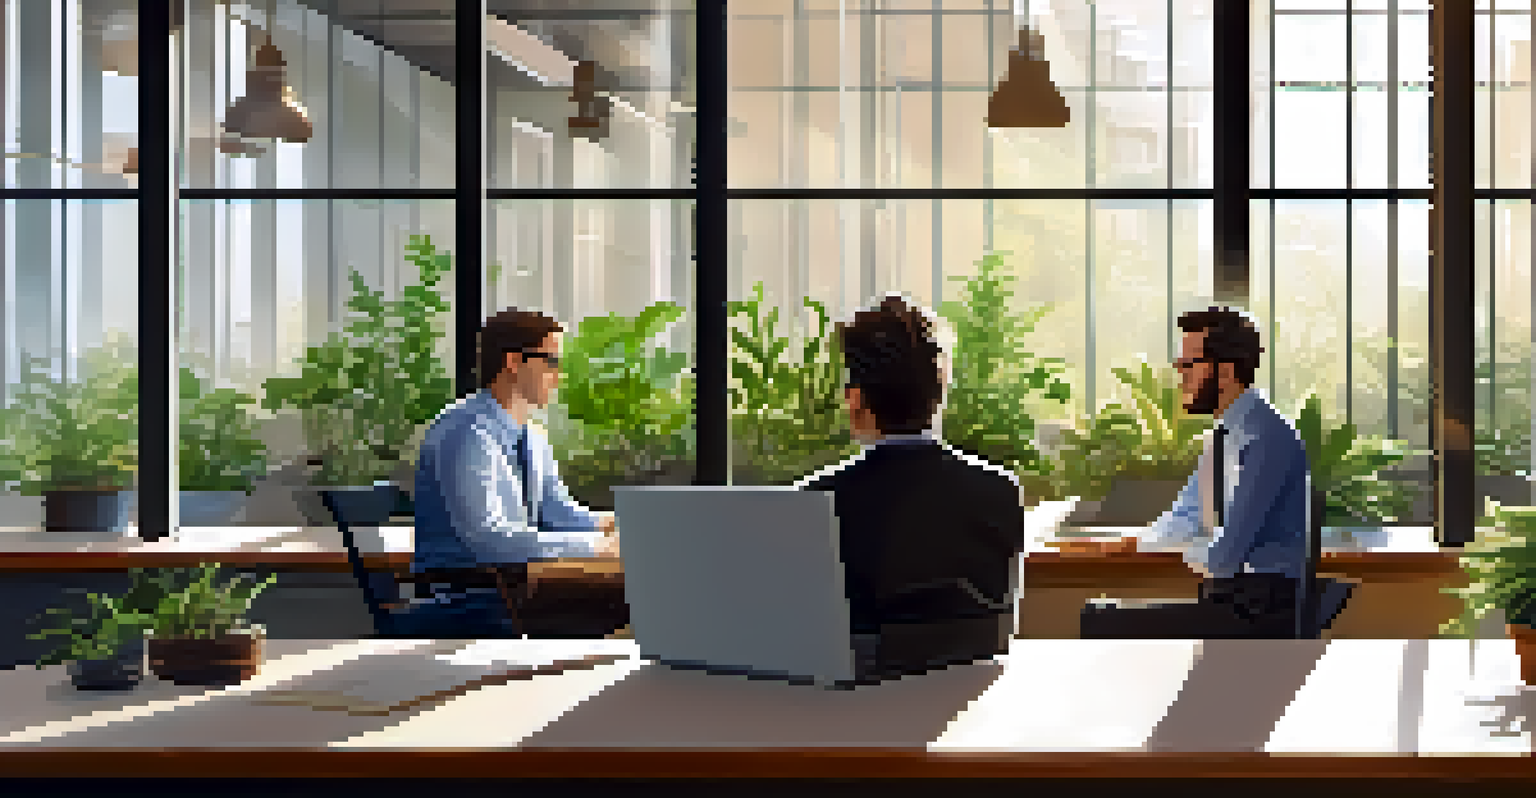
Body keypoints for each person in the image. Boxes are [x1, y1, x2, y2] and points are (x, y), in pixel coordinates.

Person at [795, 294, 1026, 676]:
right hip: (968, 717)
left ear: (856, 400)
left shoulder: (817, 503)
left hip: (848, 721)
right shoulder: (1000, 492)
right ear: (940, 392)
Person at [1078, 306, 1310, 639]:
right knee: (1100, 615)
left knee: (1101, 622)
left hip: (1262, 610)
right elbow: (1186, 516)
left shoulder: (1266, 438)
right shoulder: (1224, 435)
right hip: (1230, 599)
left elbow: (1224, 557)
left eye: (1188, 365)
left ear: (1226, 373)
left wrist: (1188, 548)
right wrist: (1135, 543)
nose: (1180, 375)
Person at [403, 306, 622, 638]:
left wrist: (621, 525)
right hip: (468, 596)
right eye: (551, 362)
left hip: (513, 587)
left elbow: (557, 513)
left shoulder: (531, 434)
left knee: (636, 601)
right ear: (513, 362)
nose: (558, 375)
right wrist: (597, 547)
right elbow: (489, 541)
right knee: (629, 605)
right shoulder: (465, 431)